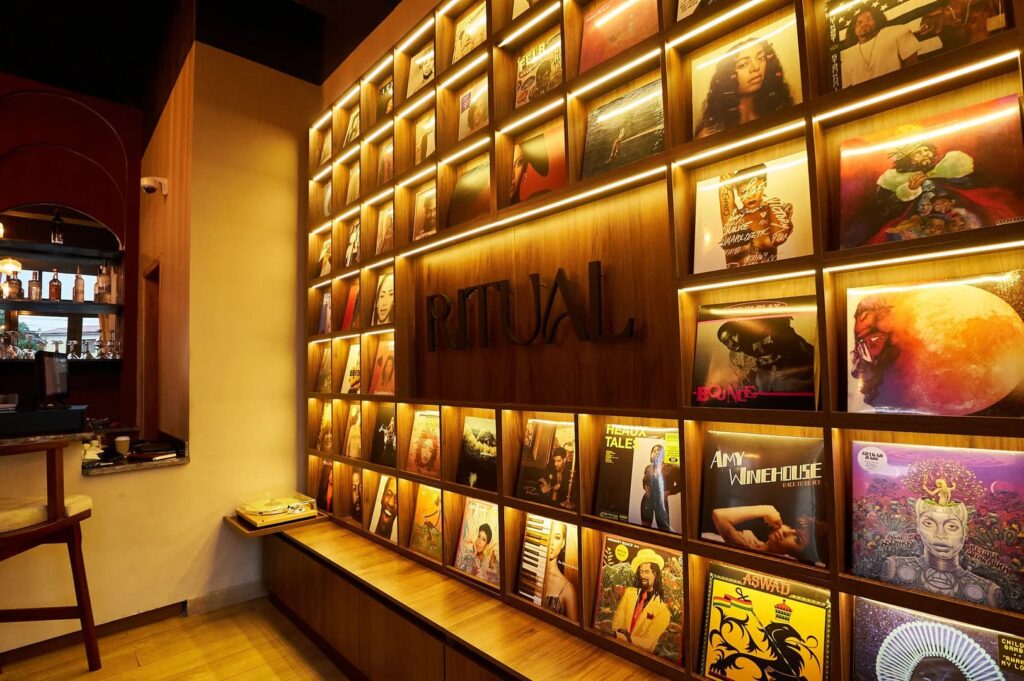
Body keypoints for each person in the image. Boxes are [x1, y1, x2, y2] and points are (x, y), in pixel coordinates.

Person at [883, 496, 1005, 608]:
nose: (940, 535)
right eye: (929, 524)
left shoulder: (988, 592)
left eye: (952, 526)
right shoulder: (893, 568)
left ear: (965, 533)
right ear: (918, 528)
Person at [695, 38, 794, 138]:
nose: (756, 67)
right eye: (743, 65)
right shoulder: (713, 133)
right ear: (727, 75)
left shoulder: (781, 116)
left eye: (761, 58)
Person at [716, 164, 795, 267]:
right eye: (744, 191)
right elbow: (725, 176)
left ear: (764, 186)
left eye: (756, 189)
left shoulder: (776, 210)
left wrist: (772, 204)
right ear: (738, 194)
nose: (751, 195)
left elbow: (779, 238)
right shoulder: (732, 217)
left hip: (768, 280)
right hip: (736, 281)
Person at [710, 505, 821, 563]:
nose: (787, 531)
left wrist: (765, 509)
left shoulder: (754, 556)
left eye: (797, 539)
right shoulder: (753, 543)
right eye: (792, 528)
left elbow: (719, 516)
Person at [840, 6, 920, 87]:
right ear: (853, 29)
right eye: (859, 22)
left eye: (868, 19)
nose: (864, 24)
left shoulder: (897, 32)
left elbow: (913, 67)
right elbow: (846, 88)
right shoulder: (847, 55)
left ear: (878, 20)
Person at [611, 548, 671, 653]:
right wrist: (619, 632)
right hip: (617, 649)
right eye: (641, 571)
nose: (643, 576)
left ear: (655, 574)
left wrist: (620, 636)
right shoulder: (629, 594)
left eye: (647, 572)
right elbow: (616, 623)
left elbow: (647, 643)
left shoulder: (662, 611)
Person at [542, 521, 578, 619]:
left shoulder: (568, 589)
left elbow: (573, 631)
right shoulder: (530, 571)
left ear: (563, 543)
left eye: (557, 537)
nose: (551, 542)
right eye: (548, 535)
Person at [641, 444, 680, 532]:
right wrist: (645, 486)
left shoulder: (672, 468)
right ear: (651, 455)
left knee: (664, 529)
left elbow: (681, 485)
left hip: (661, 503)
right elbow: (644, 480)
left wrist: (669, 492)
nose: (656, 452)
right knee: (644, 529)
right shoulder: (648, 468)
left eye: (658, 450)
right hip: (647, 501)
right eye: (654, 451)